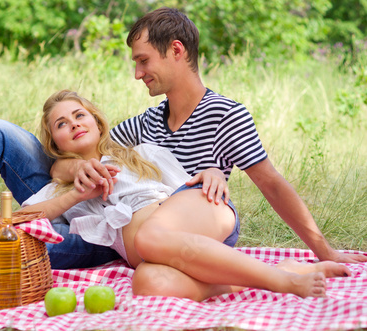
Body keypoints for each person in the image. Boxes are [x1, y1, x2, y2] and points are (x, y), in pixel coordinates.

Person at [0, 7, 367, 270]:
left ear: (177, 51)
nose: (137, 74)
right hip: (97, 207)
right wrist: (77, 168)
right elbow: (74, 157)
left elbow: (272, 184)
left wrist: (323, 250)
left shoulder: (226, 115)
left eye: (143, 60)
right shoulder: (144, 125)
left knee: (22, 244)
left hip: (147, 231)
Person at [19, 88, 348, 301]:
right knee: (149, 286)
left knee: (149, 236)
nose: (74, 124)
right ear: (54, 143)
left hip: (196, 212)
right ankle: (293, 273)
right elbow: (20, 220)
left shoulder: (141, 153)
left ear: (97, 122)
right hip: (153, 254)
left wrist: (214, 171)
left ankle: (283, 284)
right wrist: (75, 195)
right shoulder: (62, 189)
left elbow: (190, 185)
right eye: (61, 124)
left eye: (79, 115)